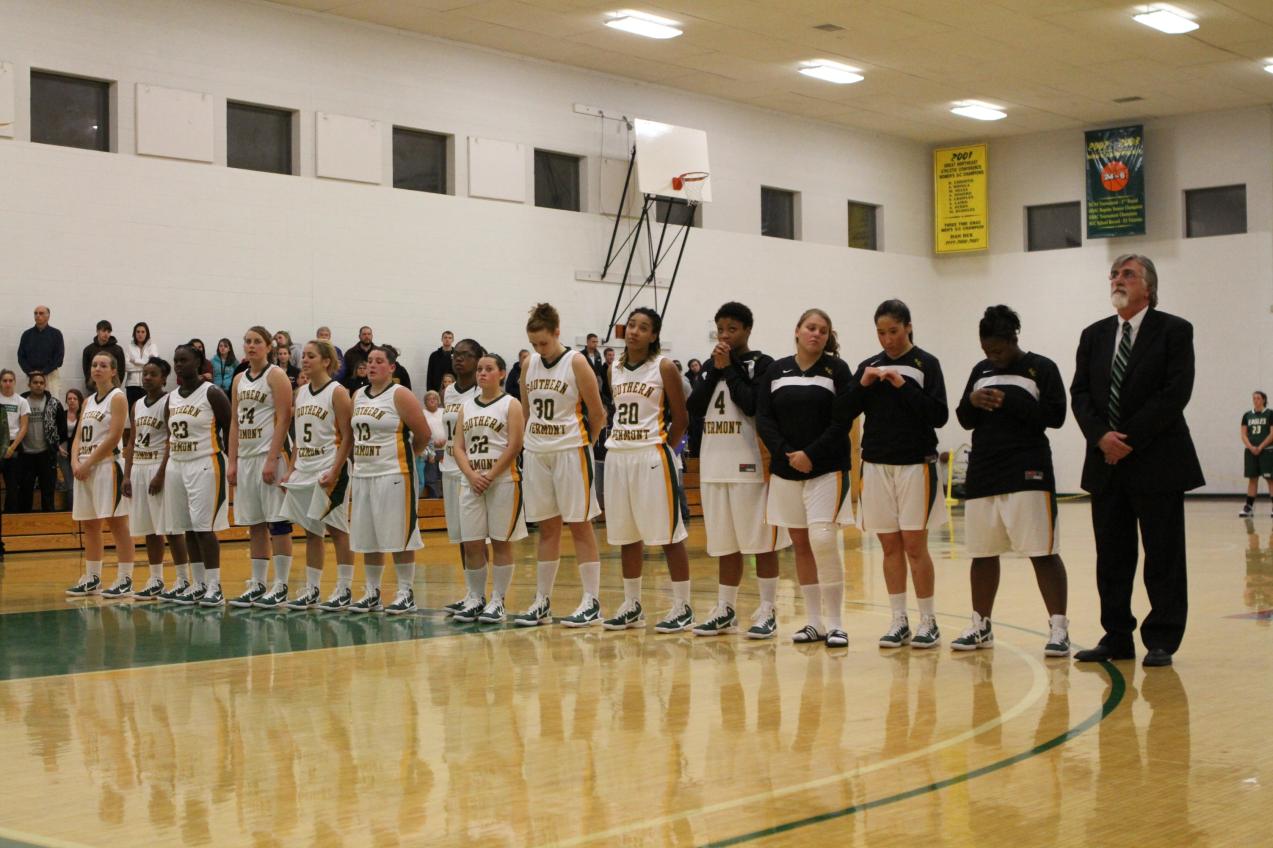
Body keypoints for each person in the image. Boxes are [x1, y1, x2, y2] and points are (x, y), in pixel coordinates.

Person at [1070, 254, 1204, 668]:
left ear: (1149, 286)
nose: (1117, 280)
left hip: (1157, 460)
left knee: (1163, 554)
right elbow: (1080, 394)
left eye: (1128, 274)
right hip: (1106, 462)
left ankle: (1162, 638)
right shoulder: (1093, 335)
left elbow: (1175, 393)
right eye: (1114, 274)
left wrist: (1126, 439)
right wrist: (1101, 437)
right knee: (1112, 557)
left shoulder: (1174, 330)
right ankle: (1116, 636)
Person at [952, 306, 1070, 656]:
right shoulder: (980, 371)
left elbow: (1056, 416)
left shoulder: (1042, 368)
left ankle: (1059, 628)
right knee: (982, 552)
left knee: (1042, 551)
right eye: (987, 350)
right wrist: (972, 401)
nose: (993, 356)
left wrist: (1011, 402)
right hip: (984, 470)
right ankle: (981, 625)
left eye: (999, 350)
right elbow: (964, 418)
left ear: (1013, 339)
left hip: (1028, 469)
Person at [845, 299, 948, 650]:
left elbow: (938, 415)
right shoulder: (869, 366)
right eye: (881, 333)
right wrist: (862, 385)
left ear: (908, 327)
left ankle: (928, 620)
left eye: (893, 331)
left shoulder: (926, 364)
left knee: (915, 545)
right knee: (889, 546)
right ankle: (898, 619)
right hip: (876, 464)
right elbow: (842, 411)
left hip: (916, 463)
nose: (887, 339)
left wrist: (904, 385)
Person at [688, 302, 791, 639]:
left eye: (732, 329)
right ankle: (726, 609)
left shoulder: (763, 364)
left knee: (761, 542)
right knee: (724, 543)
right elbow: (695, 407)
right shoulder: (711, 366)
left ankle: (767, 609)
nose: (725, 335)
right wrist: (715, 371)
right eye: (720, 329)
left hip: (750, 465)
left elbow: (751, 404)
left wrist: (728, 368)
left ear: (747, 330)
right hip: (714, 464)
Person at [755, 308, 854, 648]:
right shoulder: (776, 370)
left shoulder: (837, 370)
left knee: (822, 539)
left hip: (827, 468)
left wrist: (811, 453)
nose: (816, 334)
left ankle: (836, 623)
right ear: (797, 330)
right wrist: (786, 453)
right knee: (800, 543)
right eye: (811, 327)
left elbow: (842, 421)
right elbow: (764, 418)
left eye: (823, 330)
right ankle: (814, 622)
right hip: (786, 470)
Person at [512, 304, 607, 628]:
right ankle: (542, 600)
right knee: (547, 528)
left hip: (570, 451)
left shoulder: (576, 361)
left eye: (544, 342)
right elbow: (526, 411)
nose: (539, 349)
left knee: (580, 524)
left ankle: (592, 601)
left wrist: (585, 443)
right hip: (537, 452)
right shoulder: (529, 364)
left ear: (557, 332)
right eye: (534, 343)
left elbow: (598, 413)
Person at [601, 307, 695, 632]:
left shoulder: (663, 366)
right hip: (618, 455)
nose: (634, 331)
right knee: (627, 535)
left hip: (652, 454)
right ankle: (632, 605)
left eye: (643, 327)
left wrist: (665, 448)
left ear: (654, 335)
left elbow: (681, 418)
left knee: (669, 534)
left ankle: (683, 606)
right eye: (631, 325)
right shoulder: (613, 368)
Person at [347, 346, 431, 614]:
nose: (372, 365)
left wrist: (408, 456)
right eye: (369, 361)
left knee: (399, 534)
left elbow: (423, 434)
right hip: (363, 473)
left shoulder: (400, 394)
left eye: (379, 361)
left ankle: (406, 592)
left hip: (394, 473)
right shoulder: (358, 395)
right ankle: (372, 592)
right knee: (368, 535)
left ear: (392, 367)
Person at [453, 353, 527, 623]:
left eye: (488, 369)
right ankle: (475, 597)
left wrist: (490, 475)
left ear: (502, 373)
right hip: (471, 482)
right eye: (479, 369)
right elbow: (457, 447)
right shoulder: (466, 407)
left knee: (500, 543)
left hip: (503, 481)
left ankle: (498, 600)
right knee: (472, 544)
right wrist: (472, 475)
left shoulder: (511, 404)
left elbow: (515, 445)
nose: (482, 373)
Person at [283, 340, 355, 611]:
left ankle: (344, 588)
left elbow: (348, 436)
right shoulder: (301, 392)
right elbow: (299, 438)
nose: (304, 360)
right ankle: (312, 588)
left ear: (326, 361)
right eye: (303, 356)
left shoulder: (337, 392)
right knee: (311, 531)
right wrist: (291, 469)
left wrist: (335, 470)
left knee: (338, 529)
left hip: (330, 466)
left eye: (310, 356)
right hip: (305, 467)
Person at [159, 342, 232, 605]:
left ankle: (215, 586)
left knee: (203, 528)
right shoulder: (171, 398)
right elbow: (169, 434)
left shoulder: (212, 392)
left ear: (198, 362)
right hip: (177, 464)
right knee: (187, 527)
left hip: (205, 462)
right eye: (176, 361)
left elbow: (229, 427)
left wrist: (231, 460)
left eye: (184, 360)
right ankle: (198, 584)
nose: (178, 365)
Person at [227, 326, 295, 609]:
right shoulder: (239, 379)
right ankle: (257, 583)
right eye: (247, 341)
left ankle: (281, 584)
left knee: (277, 522)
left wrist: (272, 458)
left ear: (268, 346)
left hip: (270, 456)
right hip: (246, 458)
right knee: (254, 522)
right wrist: (232, 461)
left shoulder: (276, 375)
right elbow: (234, 422)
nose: (251, 346)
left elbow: (284, 418)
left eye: (257, 341)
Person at [65, 352, 136, 598]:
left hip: (107, 467)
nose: (97, 368)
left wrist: (88, 464)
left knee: (118, 524)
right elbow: (77, 437)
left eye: (103, 365)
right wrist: (75, 461)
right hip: (84, 468)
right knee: (90, 525)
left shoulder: (118, 398)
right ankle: (93, 578)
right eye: (94, 365)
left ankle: (125, 579)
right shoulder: (87, 401)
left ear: (114, 371)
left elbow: (115, 437)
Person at [123, 357, 191, 600]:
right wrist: (127, 475)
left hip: (159, 467)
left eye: (153, 374)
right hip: (139, 468)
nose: (147, 378)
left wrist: (161, 473)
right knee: (150, 529)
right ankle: (156, 579)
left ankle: (183, 579)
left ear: (164, 379)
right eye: (145, 374)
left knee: (171, 528)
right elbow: (131, 442)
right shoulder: (137, 405)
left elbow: (173, 440)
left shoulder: (169, 402)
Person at [438, 338, 488, 619]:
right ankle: (471, 593)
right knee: (460, 537)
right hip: (449, 468)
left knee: (477, 538)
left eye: (466, 355)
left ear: (478, 359)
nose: (459, 359)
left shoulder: (485, 391)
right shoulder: (448, 392)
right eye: (456, 354)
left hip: (473, 471)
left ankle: (484, 595)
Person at [17, 371, 66, 512]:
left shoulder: (54, 403)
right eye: (35, 382)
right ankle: (24, 521)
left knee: (48, 492)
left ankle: (49, 520)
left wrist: (56, 445)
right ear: (29, 384)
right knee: (25, 492)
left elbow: (62, 427)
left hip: (46, 454)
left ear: (45, 385)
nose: (38, 385)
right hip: (25, 454)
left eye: (41, 383)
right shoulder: (20, 401)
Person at [17, 305, 65, 398]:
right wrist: (29, 371)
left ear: (48, 316)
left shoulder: (56, 334)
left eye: (41, 313)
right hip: (31, 375)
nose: (38, 315)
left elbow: (59, 358)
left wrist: (44, 371)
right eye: (35, 313)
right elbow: (21, 356)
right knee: (29, 402)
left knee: (52, 402)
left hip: (50, 375)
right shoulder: (27, 334)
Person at [1239, 391, 1273, 517]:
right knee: (1252, 479)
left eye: (1258, 398)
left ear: (1264, 400)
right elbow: (1243, 434)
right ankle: (1249, 507)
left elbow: (1272, 433)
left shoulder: (1270, 414)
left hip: (1267, 451)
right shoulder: (1247, 415)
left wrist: (1261, 446)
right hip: (1251, 451)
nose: (1255, 400)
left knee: (1270, 479)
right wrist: (1251, 447)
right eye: (1254, 398)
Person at [1, 370, 30, 513]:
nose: (8, 383)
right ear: (0, 382)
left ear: (14, 382)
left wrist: (12, 448)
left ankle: (9, 516)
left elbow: (24, 427)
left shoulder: (21, 401)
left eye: (10, 380)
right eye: (4, 380)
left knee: (13, 486)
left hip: (14, 445)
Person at [58, 388, 84, 512]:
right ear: (66, 401)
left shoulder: (84, 415)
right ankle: (71, 512)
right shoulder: (61, 415)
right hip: (63, 453)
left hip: (79, 454)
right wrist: (58, 447)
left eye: (75, 398)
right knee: (70, 485)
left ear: (79, 401)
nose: (72, 401)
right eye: (69, 399)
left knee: (79, 485)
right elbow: (54, 433)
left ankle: (80, 511)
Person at [81, 320, 127, 388]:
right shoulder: (88, 350)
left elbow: (121, 370)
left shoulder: (117, 350)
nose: (106, 334)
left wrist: (116, 385)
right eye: (103, 331)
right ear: (97, 331)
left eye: (108, 332)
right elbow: (87, 370)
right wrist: (91, 384)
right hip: (94, 387)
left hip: (112, 386)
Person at [124, 322, 159, 407]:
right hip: (132, 385)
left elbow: (153, 364)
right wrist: (145, 365)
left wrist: (135, 361)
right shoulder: (129, 347)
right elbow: (126, 366)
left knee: (147, 409)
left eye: (143, 332)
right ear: (134, 333)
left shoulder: (152, 346)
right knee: (132, 410)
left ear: (147, 333)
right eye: (138, 331)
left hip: (148, 383)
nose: (140, 334)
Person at [421, 390, 445, 498]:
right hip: (429, 450)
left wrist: (445, 440)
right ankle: (434, 501)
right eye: (429, 399)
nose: (432, 401)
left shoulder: (444, 412)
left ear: (438, 401)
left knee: (445, 476)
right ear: (425, 402)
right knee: (431, 478)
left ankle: (445, 500)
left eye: (434, 398)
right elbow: (420, 432)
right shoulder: (422, 413)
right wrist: (432, 443)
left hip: (445, 449)